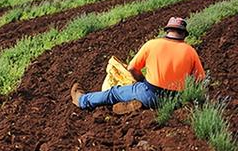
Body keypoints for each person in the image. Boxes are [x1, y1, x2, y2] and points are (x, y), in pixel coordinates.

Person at [71, 17, 205, 114]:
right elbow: (200, 80)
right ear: (183, 34)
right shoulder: (190, 51)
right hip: (175, 100)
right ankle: (133, 105)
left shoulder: (152, 44)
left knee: (114, 92)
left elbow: (131, 68)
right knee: (144, 94)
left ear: (168, 30)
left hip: (150, 94)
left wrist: (141, 80)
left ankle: (83, 100)